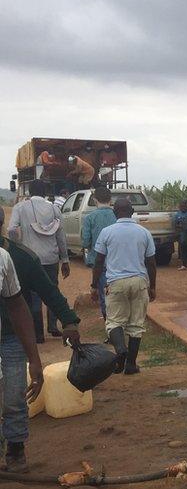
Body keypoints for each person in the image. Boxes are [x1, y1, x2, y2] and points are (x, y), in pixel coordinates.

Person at [0, 208, 80, 472]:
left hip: (11, 337)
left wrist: (69, 320)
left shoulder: (18, 259)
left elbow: (47, 291)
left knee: (14, 396)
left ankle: (15, 448)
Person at [92, 198, 156, 375]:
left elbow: (98, 261)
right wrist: (152, 287)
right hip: (139, 281)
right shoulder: (144, 232)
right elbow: (151, 262)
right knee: (136, 324)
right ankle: (131, 365)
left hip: (116, 282)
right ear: (133, 211)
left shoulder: (106, 232)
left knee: (113, 322)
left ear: (114, 212)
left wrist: (93, 285)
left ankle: (120, 349)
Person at [7, 180, 70, 343]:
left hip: (30, 259)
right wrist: (65, 259)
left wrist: (18, 245)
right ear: (45, 192)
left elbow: (12, 229)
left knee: (33, 296)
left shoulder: (20, 207)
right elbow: (61, 236)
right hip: (51, 258)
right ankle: (53, 327)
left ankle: (38, 334)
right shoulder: (54, 208)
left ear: (29, 192)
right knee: (52, 291)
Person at [81, 186, 117, 319]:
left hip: (99, 262)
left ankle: (110, 326)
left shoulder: (90, 218)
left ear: (95, 199)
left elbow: (85, 242)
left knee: (104, 295)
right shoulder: (117, 215)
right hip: (118, 262)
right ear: (110, 199)